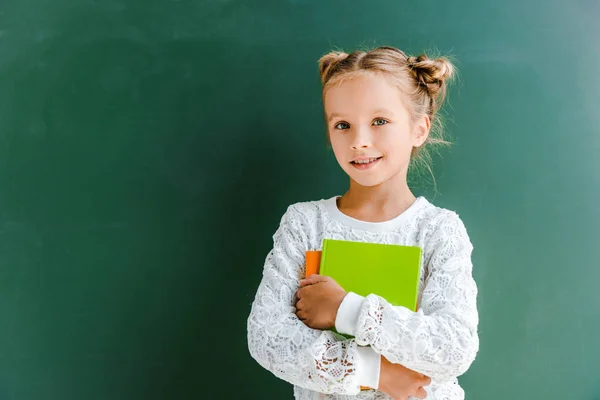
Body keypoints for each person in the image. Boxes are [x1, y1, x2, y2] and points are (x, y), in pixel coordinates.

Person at [247, 45, 479, 400]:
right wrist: (377, 373)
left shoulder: (438, 231)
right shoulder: (305, 223)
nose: (359, 141)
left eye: (380, 121)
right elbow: (268, 338)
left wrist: (344, 309)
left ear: (419, 129)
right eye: (343, 125)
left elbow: (452, 348)